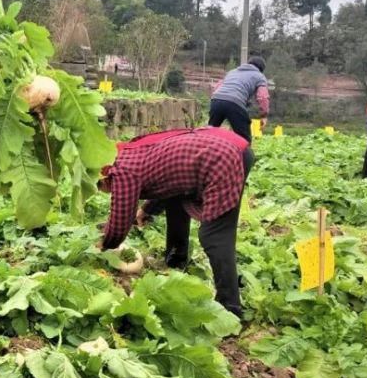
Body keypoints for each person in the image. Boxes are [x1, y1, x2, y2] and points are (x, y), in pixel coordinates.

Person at [98, 127, 254, 318]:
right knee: (177, 198)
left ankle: (230, 308)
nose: (107, 192)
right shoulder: (128, 155)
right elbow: (167, 180)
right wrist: (147, 210)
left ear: (104, 179)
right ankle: (175, 260)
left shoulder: (121, 171)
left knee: (215, 235)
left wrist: (104, 245)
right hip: (228, 146)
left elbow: (120, 220)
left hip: (223, 157)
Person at [207, 56, 269, 142]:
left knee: (210, 132)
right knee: (244, 138)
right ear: (261, 69)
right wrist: (264, 115)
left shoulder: (232, 72)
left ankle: (205, 152)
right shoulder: (260, 76)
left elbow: (217, 87)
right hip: (235, 103)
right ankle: (243, 155)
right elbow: (262, 97)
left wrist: (215, 101)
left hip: (216, 100)